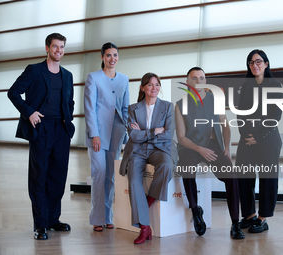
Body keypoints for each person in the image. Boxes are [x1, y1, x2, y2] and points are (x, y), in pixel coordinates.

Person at [7, 33, 75, 240]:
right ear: (47, 48)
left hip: (61, 130)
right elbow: (13, 92)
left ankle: (53, 219)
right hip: (41, 128)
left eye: (62, 47)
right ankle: (40, 224)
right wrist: (29, 112)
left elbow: (69, 101)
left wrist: (68, 116)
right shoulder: (34, 71)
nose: (59, 50)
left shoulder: (68, 75)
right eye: (55, 47)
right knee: (39, 177)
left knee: (58, 177)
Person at [175, 67, 244, 239]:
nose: (199, 81)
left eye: (202, 78)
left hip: (213, 144)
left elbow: (225, 124)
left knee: (232, 176)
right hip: (191, 146)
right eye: (194, 78)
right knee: (187, 168)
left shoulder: (215, 99)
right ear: (188, 82)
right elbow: (182, 138)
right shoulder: (179, 105)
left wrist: (226, 147)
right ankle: (195, 210)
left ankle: (235, 223)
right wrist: (199, 149)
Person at [119, 72, 177, 244]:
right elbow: (133, 136)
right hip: (138, 150)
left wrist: (144, 133)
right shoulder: (133, 108)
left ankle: (147, 201)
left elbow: (168, 134)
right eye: (150, 85)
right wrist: (154, 131)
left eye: (157, 84)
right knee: (133, 179)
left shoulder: (167, 106)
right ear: (142, 87)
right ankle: (145, 228)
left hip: (160, 148)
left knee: (166, 166)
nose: (154, 88)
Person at [236, 49, 283, 233]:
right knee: (244, 175)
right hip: (246, 139)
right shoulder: (246, 86)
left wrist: (258, 136)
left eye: (258, 62)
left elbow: (275, 116)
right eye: (251, 63)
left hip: (268, 139)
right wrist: (245, 135)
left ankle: (263, 219)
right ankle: (249, 216)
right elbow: (240, 113)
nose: (254, 65)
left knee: (267, 178)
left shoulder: (275, 85)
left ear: (266, 64)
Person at [84, 42, 129, 232]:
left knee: (111, 175)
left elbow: (125, 107)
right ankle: (97, 217)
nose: (112, 59)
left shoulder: (124, 79)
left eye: (115, 55)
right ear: (102, 57)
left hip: (117, 131)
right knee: (99, 173)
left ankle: (109, 216)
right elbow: (89, 107)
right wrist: (94, 134)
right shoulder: (93, 78)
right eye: (108, 55)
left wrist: (128, 132)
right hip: (98, 133)